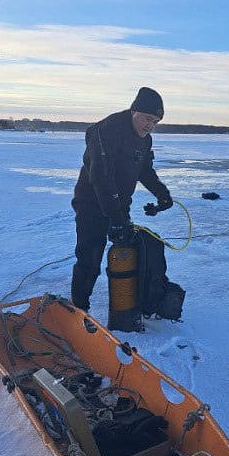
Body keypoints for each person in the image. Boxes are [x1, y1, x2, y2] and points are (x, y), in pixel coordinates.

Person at [70, 87, 173, 311]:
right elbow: (101, 175)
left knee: (127, 253)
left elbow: (145, 170)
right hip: (91, 204)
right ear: (134, 110)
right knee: (90, 258)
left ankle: (128, 305)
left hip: (118, 205)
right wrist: (114, 216)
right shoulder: (110, 129)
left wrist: (162, 193)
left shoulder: (145, 140)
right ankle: (79, 310)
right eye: (148, 118)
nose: (150, 125)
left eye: (155, 122)